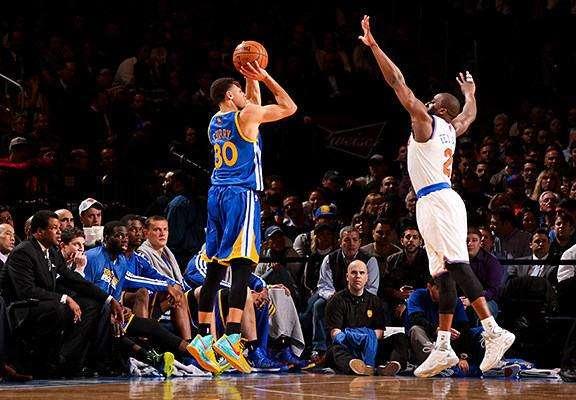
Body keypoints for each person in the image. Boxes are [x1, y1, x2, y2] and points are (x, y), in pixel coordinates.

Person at [359, 15, 514, 378]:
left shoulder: (426, 124)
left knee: (457, 266)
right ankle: (443, 345)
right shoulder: (451, 128)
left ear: (440, 108)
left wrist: (374, 46)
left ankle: (493, 331)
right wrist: (470, 95)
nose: (425, 102)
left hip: (438, 200)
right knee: (443, 273)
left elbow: (397, 83)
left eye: (432, 101)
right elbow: (469, 116)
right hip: (435, 201)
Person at [190, 60, 297, 374]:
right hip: (241, 195)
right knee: (243, 265)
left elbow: (252, 102)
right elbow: (289, 107)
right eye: (238, 91)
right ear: (229, 95)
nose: (244, 95)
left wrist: (250, 80)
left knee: (215, 267)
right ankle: (232, 337)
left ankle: (202, 338)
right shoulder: (246, 116)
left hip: (217, 195)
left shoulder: (214, 122)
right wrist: (265, 76)